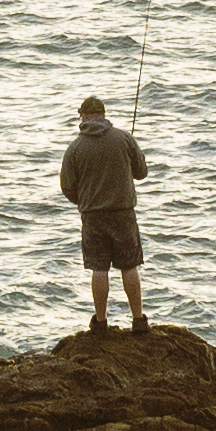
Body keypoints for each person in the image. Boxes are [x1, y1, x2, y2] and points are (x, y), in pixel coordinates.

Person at [59, 94, 150, 333]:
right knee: (130, 267)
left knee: (99, 268)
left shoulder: (75, 148)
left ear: (85, 117)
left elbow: (67, 187)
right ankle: (138, 320)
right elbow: (141, 173)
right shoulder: (124, 139)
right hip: (123, 214)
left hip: (93, 217)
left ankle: (100, 322)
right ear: (103, 115)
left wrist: (86, 201)